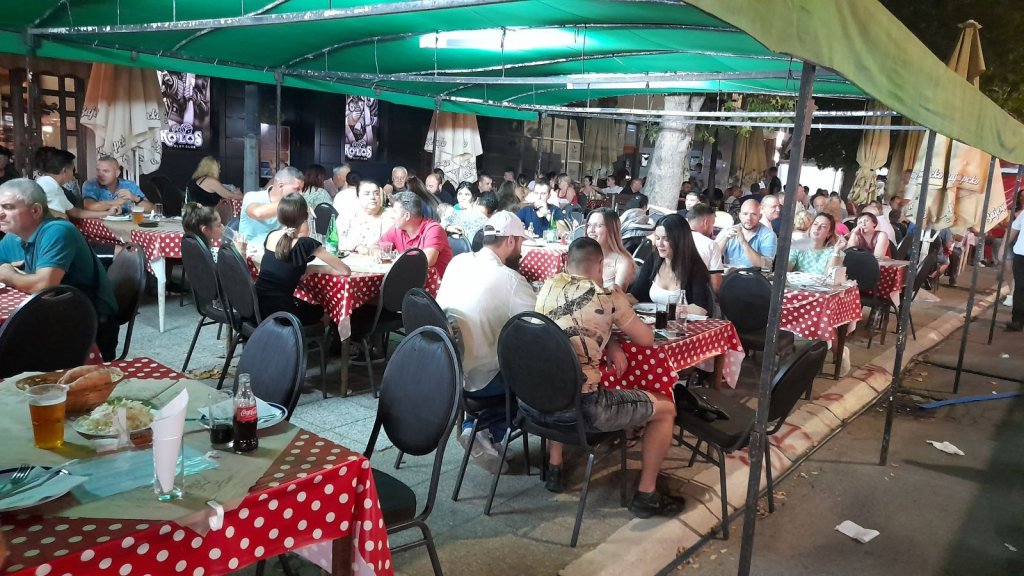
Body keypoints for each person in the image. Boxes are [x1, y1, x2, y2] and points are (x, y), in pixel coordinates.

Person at [533, 238, 682, 517]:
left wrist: (611, 341)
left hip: (536, 402)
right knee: (666, 408)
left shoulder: (548, 287)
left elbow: (563, 335)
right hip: (586, 409)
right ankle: (647, 495)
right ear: (601, 265)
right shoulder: (608, 296)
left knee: (560, 377)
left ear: (567, 262)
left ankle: (555, 466)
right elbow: (646, 339)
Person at [436, 211, 536, 473]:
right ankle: (481, 429)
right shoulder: (510, 280)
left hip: (445, 370)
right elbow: (541, 324)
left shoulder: (458, 262)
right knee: (537, 375)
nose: (521, 251)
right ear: (511, 241)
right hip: (482, 380)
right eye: (521, 243)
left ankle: (487, 433)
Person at [0, 179, 119, 359]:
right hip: (46, 318)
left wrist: (9, 275)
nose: (0, 213)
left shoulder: (58, 231)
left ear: (36, 210)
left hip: (88, 326)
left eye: (8, 207)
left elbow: (45, 287)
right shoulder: (13, 237)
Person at [256, 194, 350, 325]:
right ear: (306, 218)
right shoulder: (306, 244)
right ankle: (325, 337)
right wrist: (315, 268)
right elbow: (345, 271)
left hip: (258, 309)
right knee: (325, 310)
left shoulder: (271, 236)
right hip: (284, 315)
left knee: (304, 303)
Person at [630, 214, 714, 313]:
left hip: (682, 321)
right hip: (653, 320)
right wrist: (617, 296)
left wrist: (673, 310)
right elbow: (636, 296)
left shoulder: (696, 268)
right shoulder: (653, 260)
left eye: (666, 239)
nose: (659, 244)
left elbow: (701, 308)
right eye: (657, 238)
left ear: (680, 240)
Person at [379, 191, 453, 276]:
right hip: (409, 279)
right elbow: (376, 246)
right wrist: (377, 253)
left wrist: (395, 260)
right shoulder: (397, 229)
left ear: (407, 216)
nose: (392, 216)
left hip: (434, 283)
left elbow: (427, 260)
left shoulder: (434, 229)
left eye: (395, 212)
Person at [34, 147, 116, 220]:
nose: (73, 176)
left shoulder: (55, 187)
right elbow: (31, 206)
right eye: (73, 171)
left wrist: (108, 213)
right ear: (64, 171)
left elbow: (76, 212)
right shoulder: (47, 184)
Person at [241, 166, 303, 248]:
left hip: (277, 251)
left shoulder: (293, 204)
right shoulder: (252, 196)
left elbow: (300, 234)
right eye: (297, 189)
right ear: (281, 186)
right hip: (250, 250)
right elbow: (257, 213)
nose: (301, 194)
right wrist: (291, 204)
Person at [716, 199, 777, 268]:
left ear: (760, 217)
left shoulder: (768, 235)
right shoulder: (728, 230)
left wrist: (743, 242)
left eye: (753, 214)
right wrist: (725, 239)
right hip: (731, 274)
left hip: (755, 275)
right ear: (740, 216)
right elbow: (712, 256)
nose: (749, 218)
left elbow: (766, 265)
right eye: (745, 214)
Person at [338, 180, 395, 253]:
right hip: (350, 258)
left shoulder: (390, 215)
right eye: (367, 194)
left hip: (380, 258)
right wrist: (357, 247)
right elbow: (337, 242)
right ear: (358, 197)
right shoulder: (347, 215)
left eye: (376, 194)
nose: (372, 197)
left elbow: (392, 245)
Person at [82, 155, 154, 214]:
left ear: (117, 173)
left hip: (126, 225)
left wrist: (135, 198)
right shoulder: (91, 184)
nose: (100, 175)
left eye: (106, 171)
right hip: (99, 226)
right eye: (98, 170)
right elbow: (89, 206)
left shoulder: (129, 185)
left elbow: (152, 209)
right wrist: (117, 202)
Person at [586, 208, 636, 291]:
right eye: (589, 225)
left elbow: (617, 296)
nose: (591, 230)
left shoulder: (623, 262)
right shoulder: (584, 256)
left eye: (598, 226)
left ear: (611, 230)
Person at [685, 204, 724, 292]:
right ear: (706, 222)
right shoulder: (710, 244)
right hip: (697, 295)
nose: (712, 228)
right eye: (713, 224)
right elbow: (716, 285)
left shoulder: (674, 238)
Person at [1004, 205, 1024, 331]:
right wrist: (1003, 247)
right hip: (1021, 254)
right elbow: (1013, 230)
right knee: (1020, 286)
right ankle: (1017, 320)